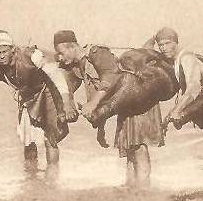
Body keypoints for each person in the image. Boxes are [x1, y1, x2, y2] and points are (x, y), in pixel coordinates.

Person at [54, 30, 163, 188]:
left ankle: (144, 188)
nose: (60, 58)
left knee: (138, 145)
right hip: (126, 102)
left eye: (61, 53)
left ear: (71, 46)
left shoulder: (96, 53)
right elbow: (104, 96)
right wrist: (100, 127)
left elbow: (111, 78)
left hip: (139, 98)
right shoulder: (82, 65)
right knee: (130, 145)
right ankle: (132, 186)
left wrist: (92, 104)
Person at [0, 30, 78, 175]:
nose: (2, 55)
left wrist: (66, 102)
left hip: (47, 89)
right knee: (28, 140)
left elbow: (56, 77)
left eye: (5, 51)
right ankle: (30, 179)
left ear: (12, 50)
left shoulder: (32, 56)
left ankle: (52, 177)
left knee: (50, 137)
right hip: (28, 97)